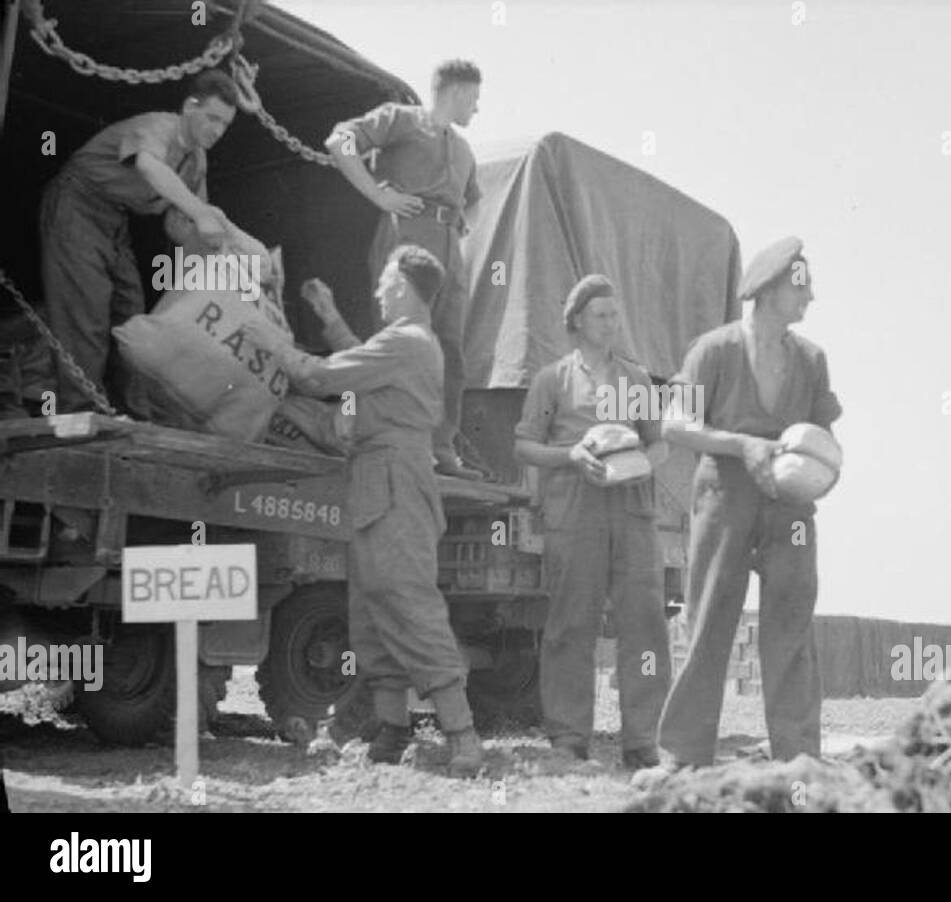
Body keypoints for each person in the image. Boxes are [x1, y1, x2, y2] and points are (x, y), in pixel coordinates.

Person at [243, 245, 483, 773]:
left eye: (385, 282)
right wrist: (329, 318)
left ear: (406, 287)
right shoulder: (404, 345)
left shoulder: (407, 341)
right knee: (373, 611)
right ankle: (393, 732)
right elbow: (362, 365)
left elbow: (324, 379)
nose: (377, 289)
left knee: (409, 603)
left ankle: (462, 736)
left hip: (395, 478)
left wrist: (271, 342)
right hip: (381, 479)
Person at [652, 237, 841, 769]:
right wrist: (741, 444)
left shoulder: (811, 359)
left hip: (790, 506)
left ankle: (798, 755)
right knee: (709, 617)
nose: (811, 297)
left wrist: (825, 473)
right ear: (769, 289)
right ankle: (684, 755)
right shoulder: (713, 350)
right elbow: (674, 424)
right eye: (802, 286)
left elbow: (823, 435)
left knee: (792, 624)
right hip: (724, 493)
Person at [514, 275, 672, 769]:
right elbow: (523, 445)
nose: (611, 323)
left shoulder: (637, 379)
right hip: (574, 511)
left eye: (615, 315)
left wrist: (642, 463)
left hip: (632, 510)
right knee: (569, 624)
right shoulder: (552, 380)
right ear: (578, 321)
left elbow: (660, 441)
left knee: (645, 624)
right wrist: (571, 455)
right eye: (601, 315)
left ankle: (643, 740)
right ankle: (568, 738)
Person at [39, 69, 239, 412]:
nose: (217, 131)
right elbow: (149, 166)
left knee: (131, 316)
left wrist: (226, 263)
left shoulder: (197, 160)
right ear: (190, 106)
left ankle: (133, 414)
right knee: (86, 313)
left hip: (115, 220)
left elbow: (185, 226)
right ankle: (79, 413)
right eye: (211, 118)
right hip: (78, 205)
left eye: (224, 125)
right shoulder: (159, 127)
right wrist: (200, 214)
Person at [326, 59, 484, 479]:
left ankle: (442, 449)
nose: (477, 109)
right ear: (457, 92)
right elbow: (339, 141)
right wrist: (379, 196)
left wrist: (462, 222)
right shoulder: (400, 119)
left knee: (450, 348)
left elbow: (475, 198)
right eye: (475, 99)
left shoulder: (465, 149)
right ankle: (375, 437)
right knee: (396, 338)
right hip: (407, 238)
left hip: (449, 249)